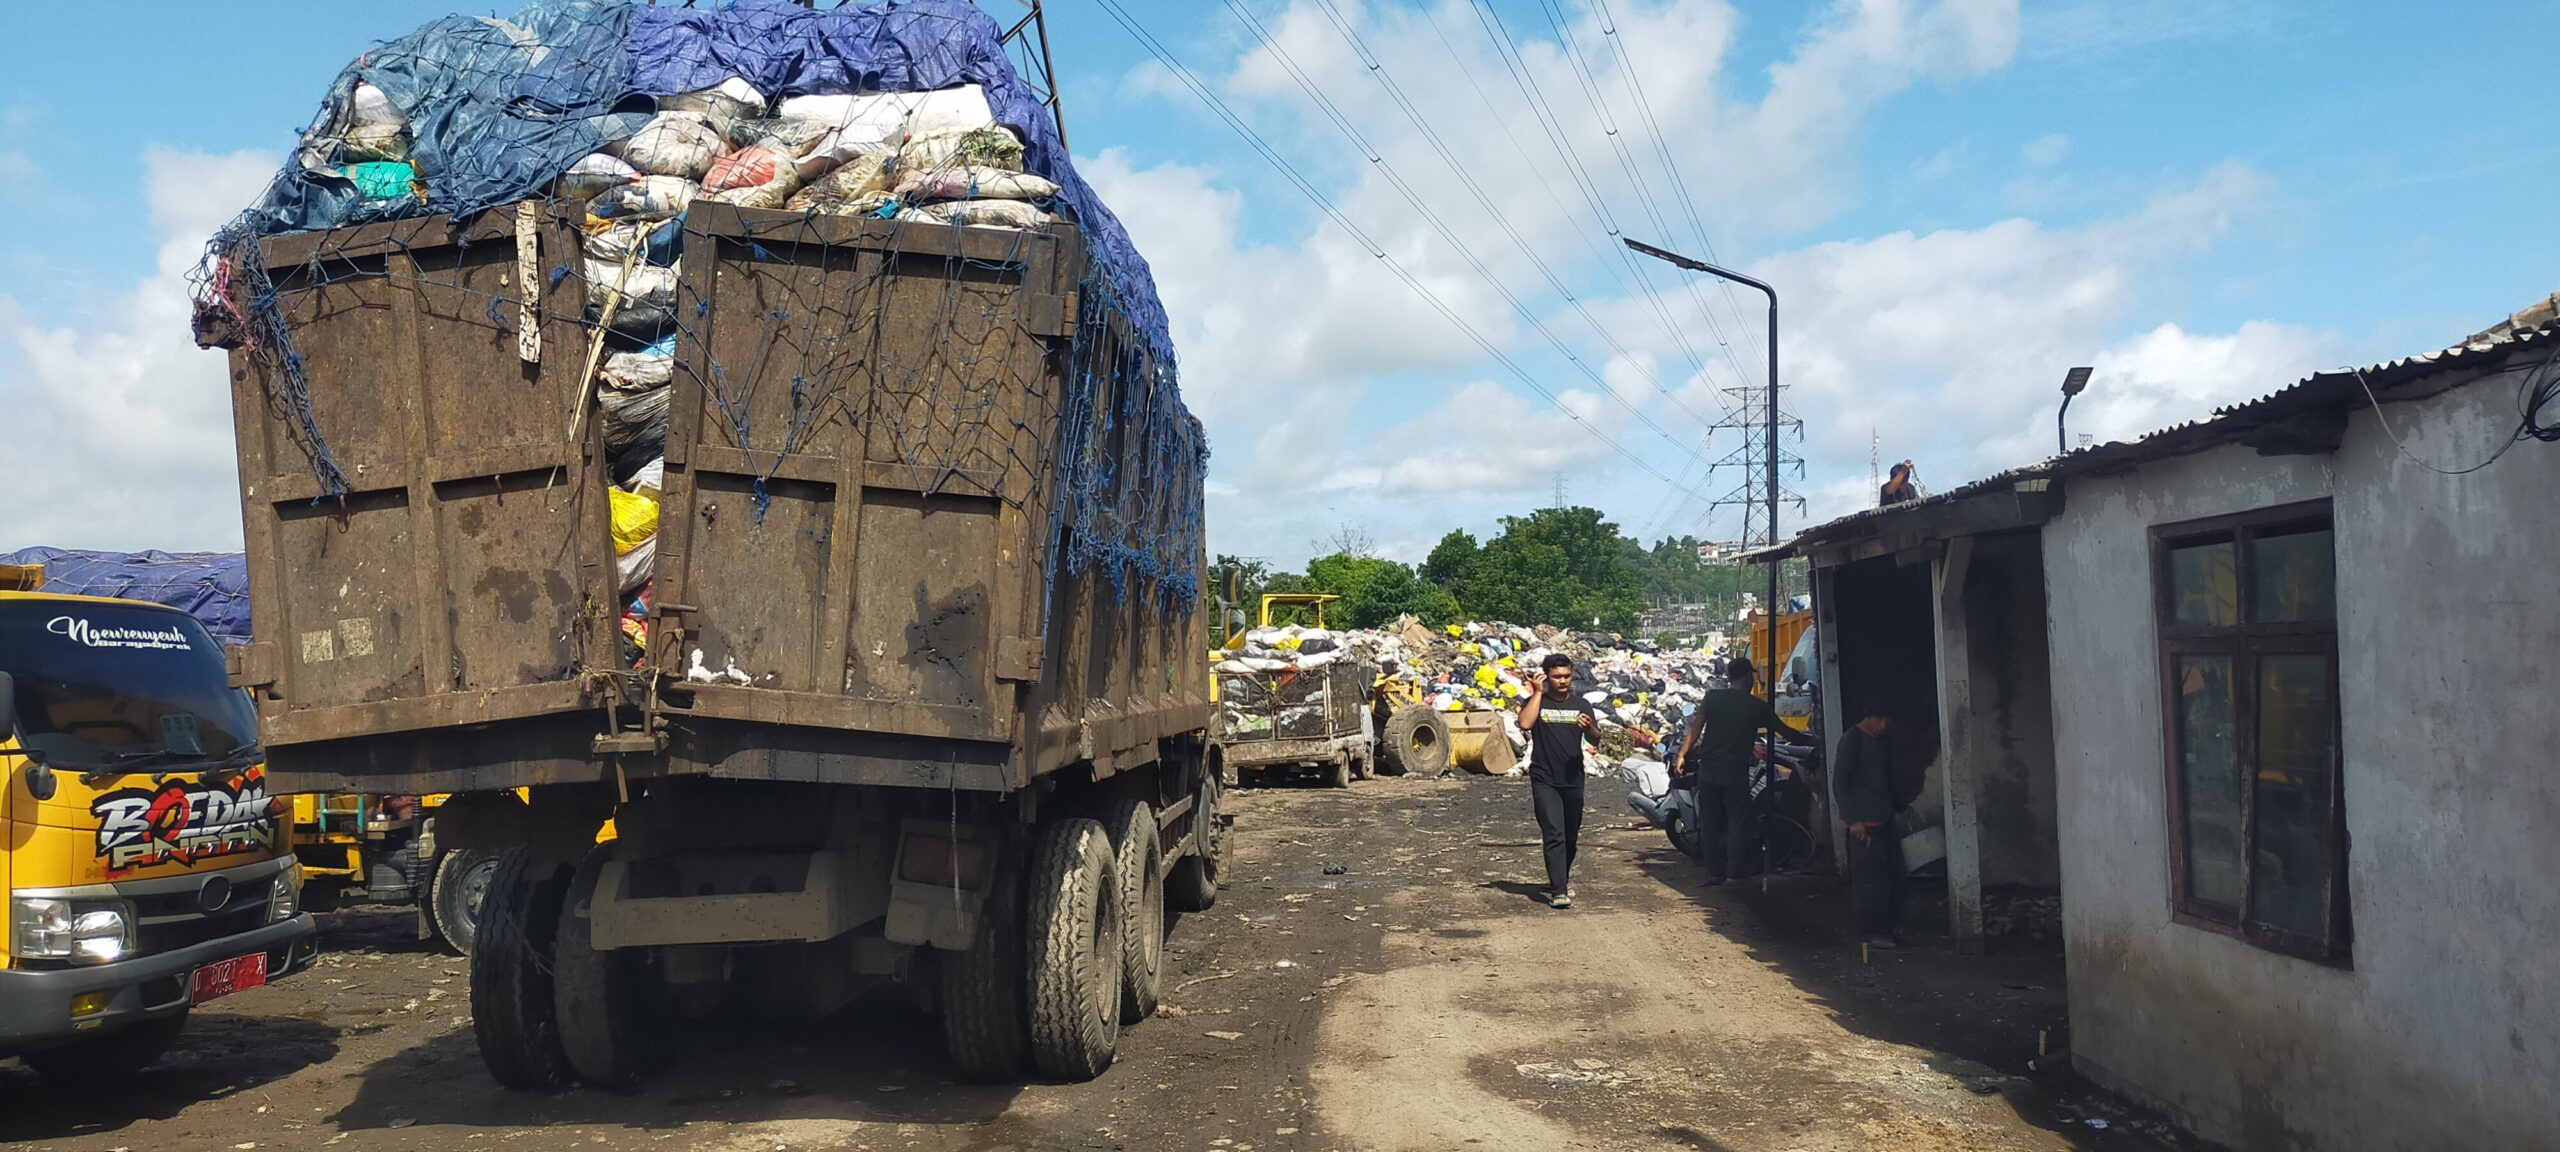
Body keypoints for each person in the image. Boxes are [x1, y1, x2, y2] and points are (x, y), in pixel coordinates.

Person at [1517, 653, 1656, 909]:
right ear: (1546, 676)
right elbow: (1525, 723)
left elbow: (1595, 739)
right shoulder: (1537, 702)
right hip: (1544, 778)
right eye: (1557, 676)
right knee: (1554, 833)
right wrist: (1537, 692)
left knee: (1570, 836)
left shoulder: (1581, 705)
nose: (1563, 681)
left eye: (1567, 676)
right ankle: (1558, 890)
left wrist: (1588, 728)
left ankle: (1561, 877)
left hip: (1573, 779)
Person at [1675, 656, 1810, 884]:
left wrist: (1681, 754)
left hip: (1708, 770)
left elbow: (1695, 727)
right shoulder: (1757, 707)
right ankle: (1734, 872)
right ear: (1748, 676)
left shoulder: (1713, 697)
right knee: (1738, 822)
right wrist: (1815, 741)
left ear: (1729, 676)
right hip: (1735, 773)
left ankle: (1713, 871)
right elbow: (1788, 734)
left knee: (1709, 822)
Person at [1829, 707, 1906, 947]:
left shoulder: (1880, 741)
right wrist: (1853, 820)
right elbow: (1840, 783)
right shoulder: (1852, 740)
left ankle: (1890, 927)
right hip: (1864, 825)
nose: (1884, 724)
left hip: (1884, 819)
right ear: (1867, 717)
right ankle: (1873, 931)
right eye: (1879, 719)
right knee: (1871, 880)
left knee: (1894, 877)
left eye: (1887, 719)